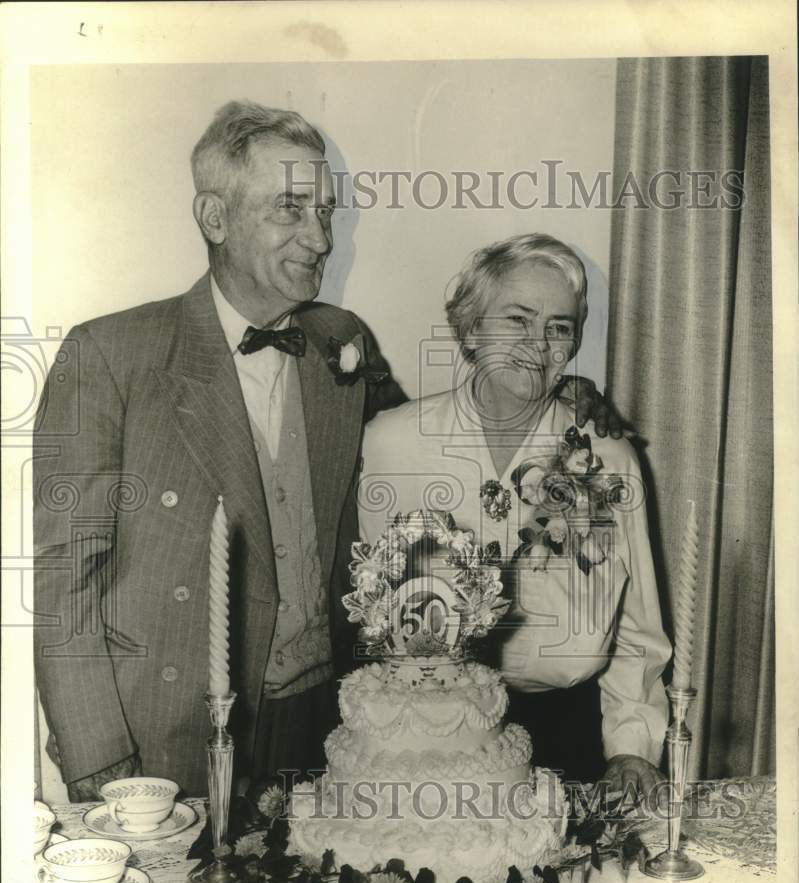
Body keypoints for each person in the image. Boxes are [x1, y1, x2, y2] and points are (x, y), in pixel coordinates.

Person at [33, 103, 620, 802]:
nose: (318, 238)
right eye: (290, 209)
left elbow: (427, 443)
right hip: (166, 730)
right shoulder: (109, 354)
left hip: (323, 723)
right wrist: (101, 762)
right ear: (215, 219)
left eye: (326, 211)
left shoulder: (339, 339)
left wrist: (555, 404)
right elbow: (61, 583)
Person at [360, 234, 669, 794]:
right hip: (431, 734)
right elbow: (371, 608)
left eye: (559, 326)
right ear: (471, 328)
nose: (538, 343)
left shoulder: (608, 459)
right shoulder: (390, 444)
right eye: (517, 319)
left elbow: (637, 627)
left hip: (571, 736)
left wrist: (631, 746)